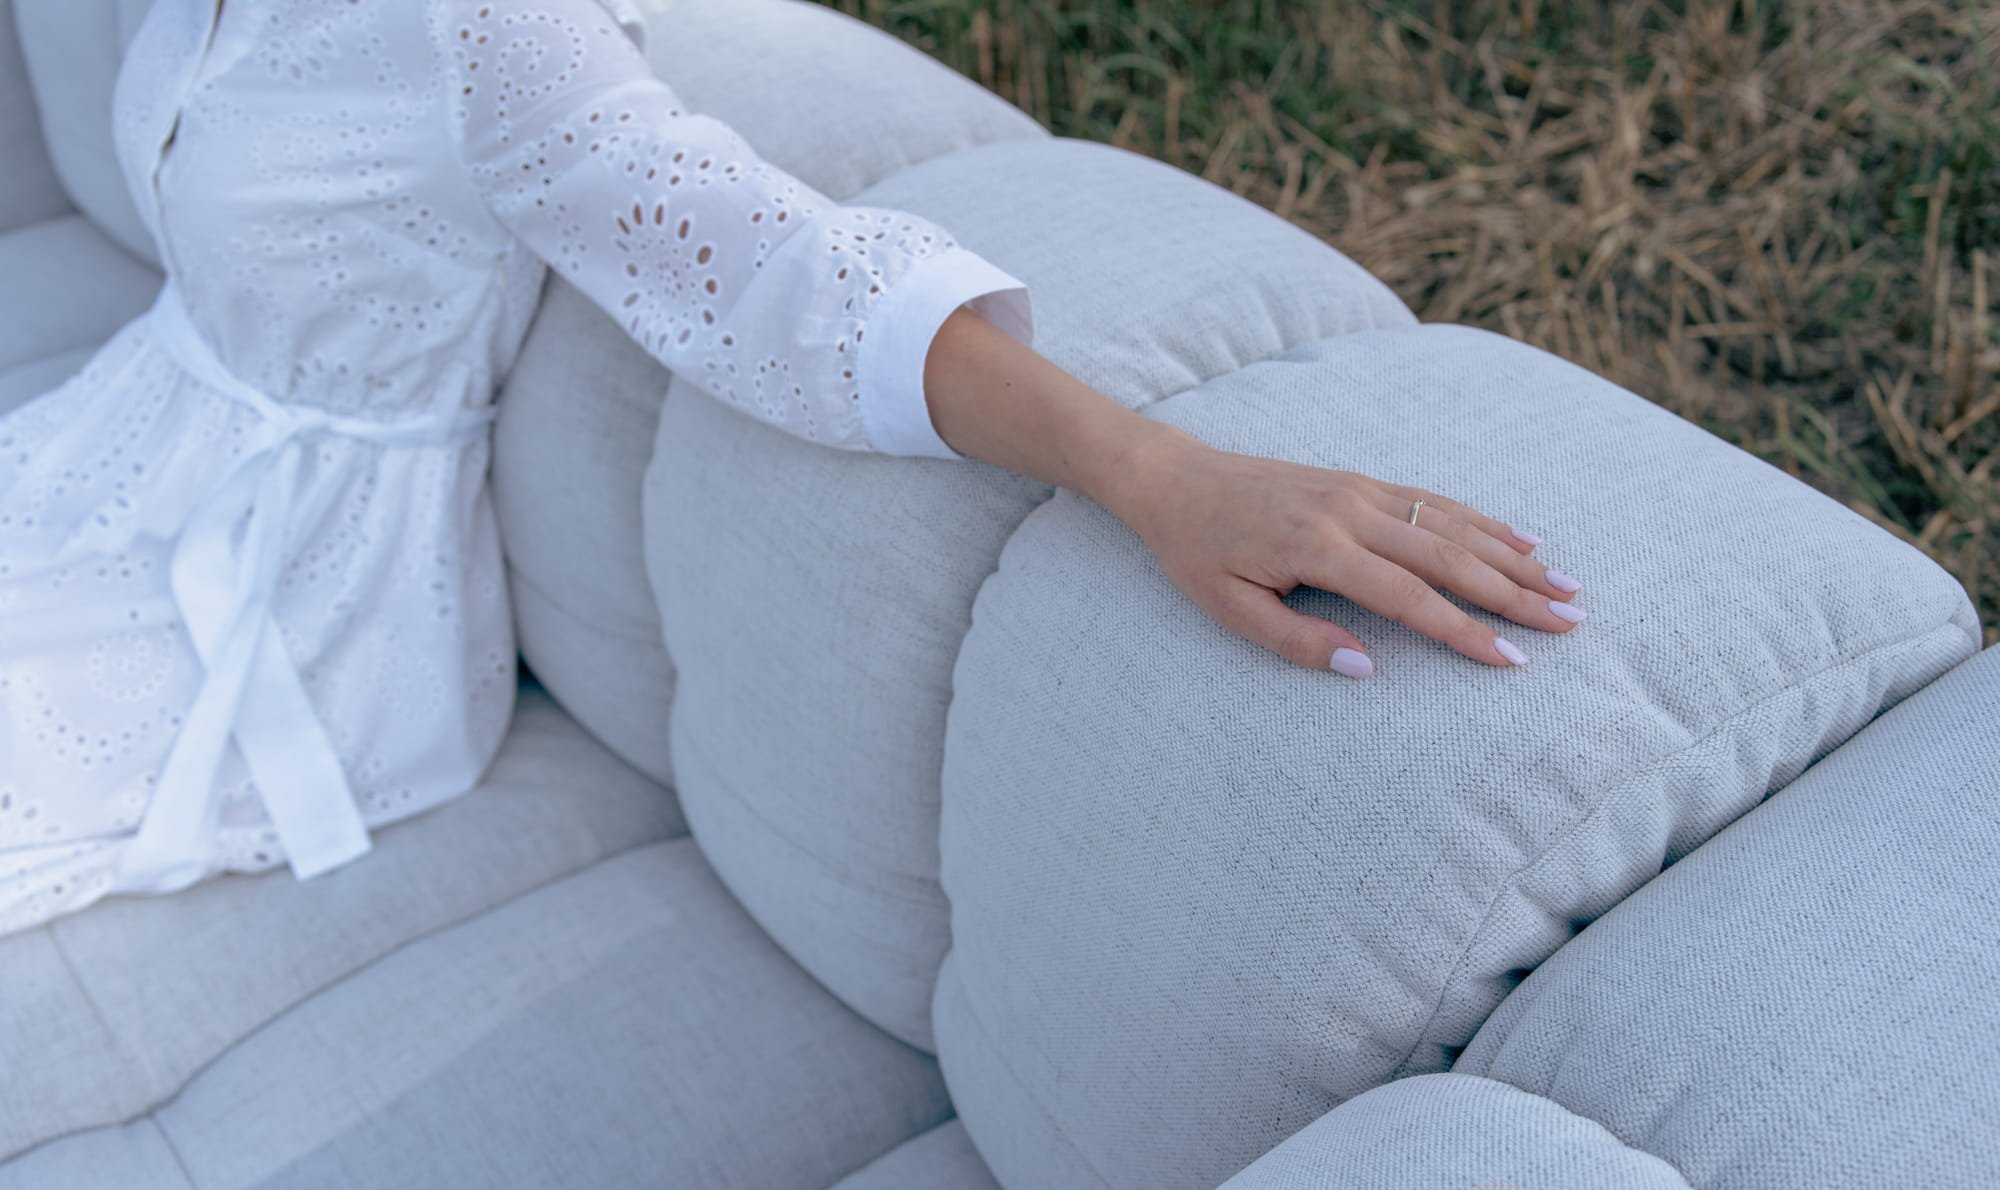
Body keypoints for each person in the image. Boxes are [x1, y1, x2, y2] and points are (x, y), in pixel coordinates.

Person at [0, 0, 1585, 936]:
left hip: (297, 597)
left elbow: (784, 278)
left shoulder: (487, 30)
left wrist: (1161, 471)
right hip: (125, 437)